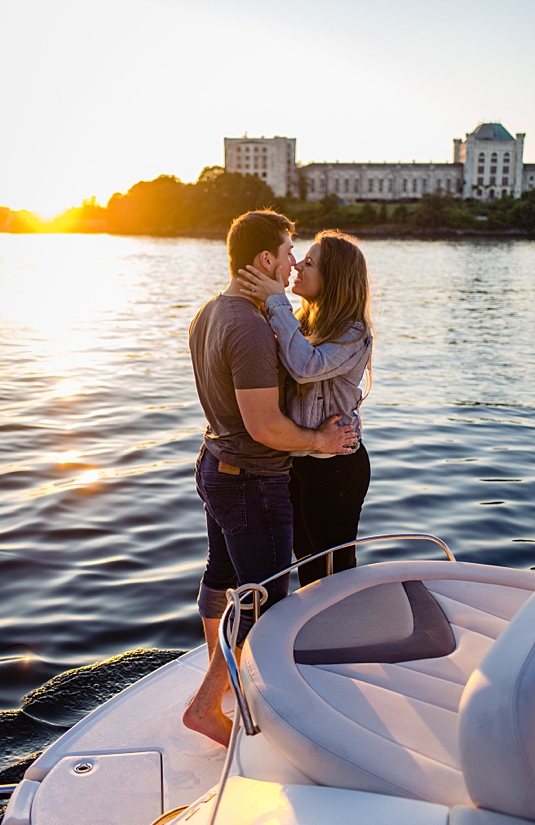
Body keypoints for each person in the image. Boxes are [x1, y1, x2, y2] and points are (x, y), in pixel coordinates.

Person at [183, 211, 355, 747]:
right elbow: (265, 426)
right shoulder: (251, 326)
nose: (291, 265)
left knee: (223, 574)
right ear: (264, 259)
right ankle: (208, 706)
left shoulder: (209, 312)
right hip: (252, 481)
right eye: (287, 254)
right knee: (262, 599)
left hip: (215, 465)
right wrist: (322, 442)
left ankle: (221, 673)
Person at [238, 229, 373, 587]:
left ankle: (345, 637)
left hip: (337, 468)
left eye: (309, 263)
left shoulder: (353, 332)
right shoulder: (300, 322)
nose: (297, 264)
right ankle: (320, 636)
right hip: (300, 462)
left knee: (334, 569)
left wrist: (275, 299)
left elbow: (305, 366)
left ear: (334, 280)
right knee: (307, 565)